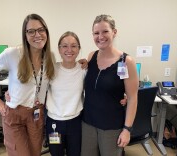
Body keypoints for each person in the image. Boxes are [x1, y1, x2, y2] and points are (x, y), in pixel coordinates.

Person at [0, 13, 55, 156]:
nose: (37, 35)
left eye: (41, 30)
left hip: (36, 114)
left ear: (46, 32)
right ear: (25, 34)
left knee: (35, 153)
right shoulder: (13, 54)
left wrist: (82, 64)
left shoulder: (50, 57)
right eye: (31, 31)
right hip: (15, 114)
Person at [81, 14, 139, 156]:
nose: (100, 36)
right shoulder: (91, 56)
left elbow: (132, 98)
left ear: (114, 32)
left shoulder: (126, 62)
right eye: (96, 33)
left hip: (111, 126)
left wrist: (127, 130)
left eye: (105, 31)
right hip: (88, 123)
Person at [45, 31, 86, 156]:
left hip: (75, 122)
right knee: (56, 153)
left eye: (74, 46)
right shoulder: (51, 69)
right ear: (59, 49)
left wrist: (121, 95)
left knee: (75, 153)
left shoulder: (84, 70)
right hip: (54, 124)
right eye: (65, 46)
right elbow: (34, 86)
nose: (69, 49)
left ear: (79, 49)